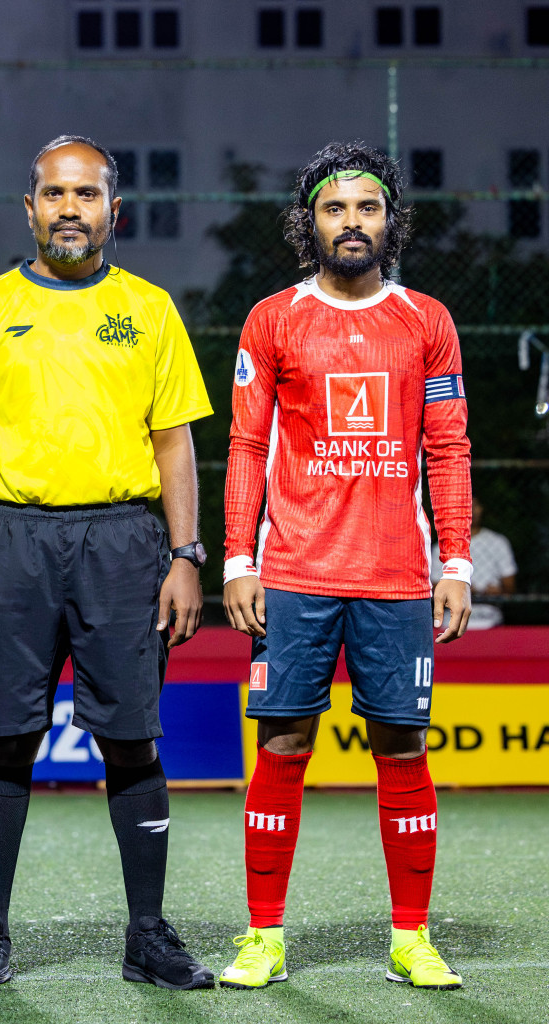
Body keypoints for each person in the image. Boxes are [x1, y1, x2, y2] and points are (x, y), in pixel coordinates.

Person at [0, 134, 215, 992]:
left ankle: (148, 935)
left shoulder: (149, 309)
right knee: (7, 737)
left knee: (130, 739)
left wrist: (186, 554)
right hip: (11, 540)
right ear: (30, 209)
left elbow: (174, 442)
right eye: (54, 193)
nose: (70, 209)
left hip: (123, 543)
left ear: (113, 210)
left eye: (86, 195)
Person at [220, 141, 472, 991]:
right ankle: (264, 936)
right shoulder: (273, 318)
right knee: (283, 743)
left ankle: (411, 939)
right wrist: (238, 559)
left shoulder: (427, 321)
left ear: (391, 221)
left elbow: (448, 448)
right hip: (293, 573)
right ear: (311, 222)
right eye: (335, 208)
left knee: (402, 747)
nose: (352, 222)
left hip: (397, 577)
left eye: (368, 207)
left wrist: (457, 560)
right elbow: (247, 445)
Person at [431, 498, 514, 629]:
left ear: (481, 509)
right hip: (451, 621)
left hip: (491, 617)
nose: (470, 511)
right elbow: (434, 587)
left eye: (473, 506)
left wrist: (498, 592)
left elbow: (510, 586)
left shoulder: (498, 542)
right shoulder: (442, 546)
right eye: (464, 507)